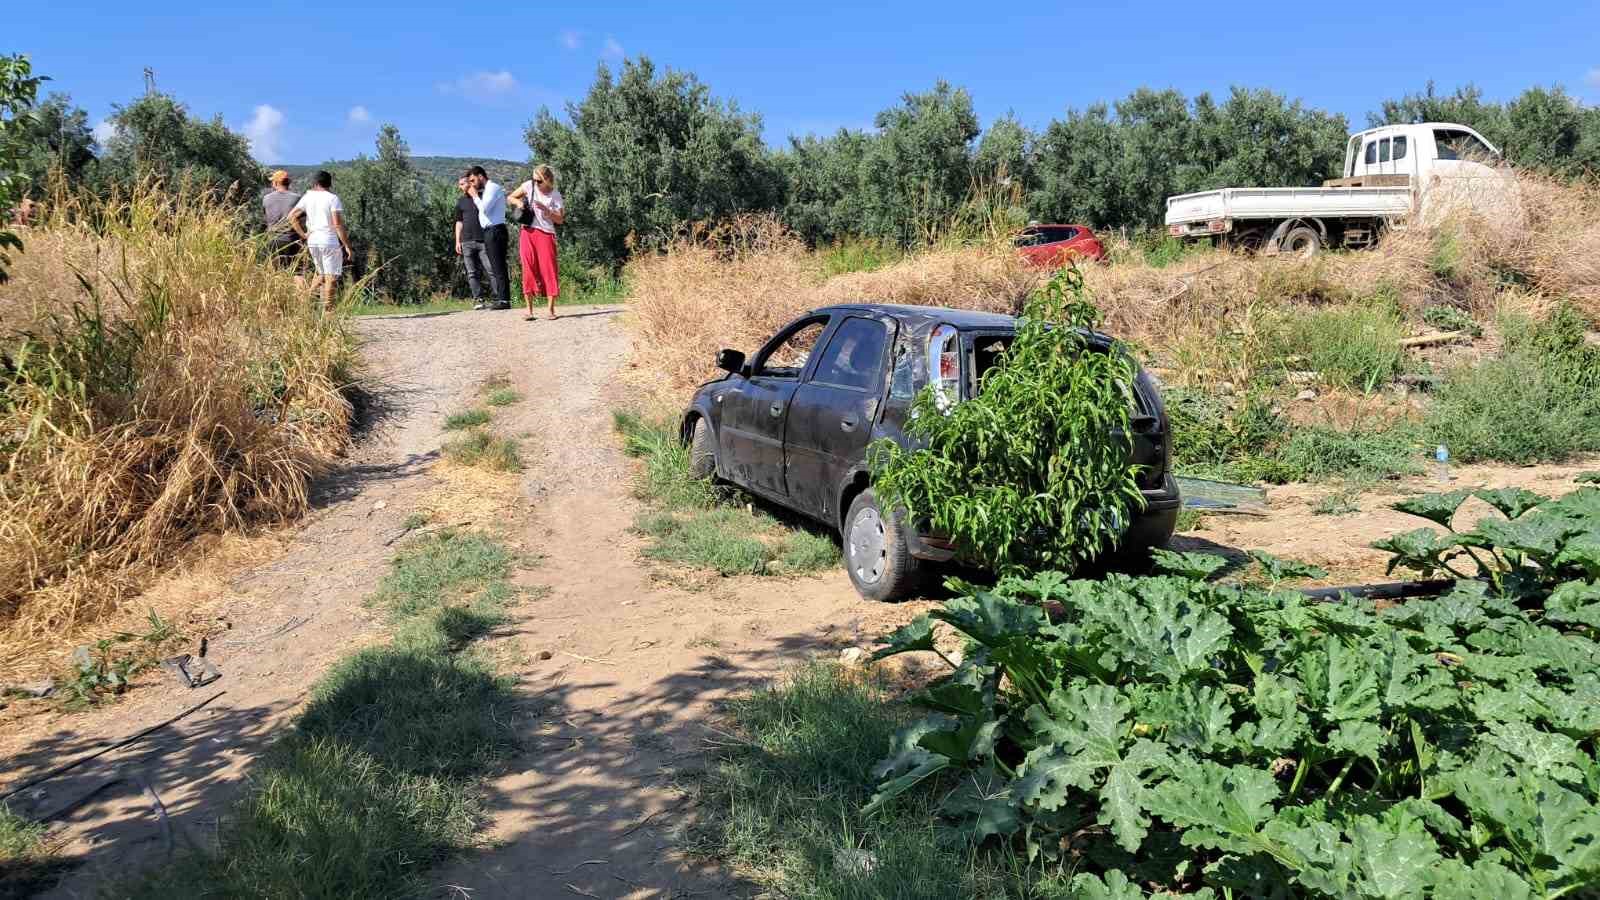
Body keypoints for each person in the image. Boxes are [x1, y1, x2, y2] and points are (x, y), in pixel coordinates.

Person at [286, 170, 353, 311]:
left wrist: (303, 234)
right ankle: (328, 312)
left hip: (313, 241)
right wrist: (347, 245)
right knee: (331, 277)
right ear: (329, 183)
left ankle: (306, 298)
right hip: (328, 240)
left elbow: (291, 216)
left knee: (322, 273)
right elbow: (337, 224)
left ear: (315, 183)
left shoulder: (308, 196)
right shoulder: (332, 198)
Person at [508, 164, 565, 321]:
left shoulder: (555, 195)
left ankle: (551, 310)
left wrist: (548, 212)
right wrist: (519, 203)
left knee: (549, 269)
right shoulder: (529, 186)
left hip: (546, 234)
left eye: (539, 181)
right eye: (534, 180)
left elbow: (560, 219)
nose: (536, 183)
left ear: (547, 180)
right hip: (528, 232)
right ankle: (529, 310)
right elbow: (510, 197)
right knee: (528, 267)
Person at [464, 166, 511, 310]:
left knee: (498, 266)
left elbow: (485, 208)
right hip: (490, 231)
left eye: (473, 180)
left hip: (495, 230)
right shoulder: (487, 190)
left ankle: (504, 300)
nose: (472, 184)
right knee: (496, 266)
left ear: (480, 176)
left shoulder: (493, 188)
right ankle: (502, 299)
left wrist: (474, 196)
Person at [454, 176, 495, 309]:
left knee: (491, 269)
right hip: (466, 242)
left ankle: (499, 298)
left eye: (464, 183)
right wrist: (457, 241)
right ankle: (479, 300)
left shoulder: (483, 197)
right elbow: (459, 222)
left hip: (483, 240)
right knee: (471, 273)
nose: (462, 186)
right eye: (460, 184)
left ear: (470, 183)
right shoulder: (460, 202)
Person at [262, 170, 303, 269]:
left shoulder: (266, 198)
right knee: (297, 273)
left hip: (273, 240)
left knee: (274, 273)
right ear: (288, 183)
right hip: (291, 240)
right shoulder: (297, 198)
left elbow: (265, 218)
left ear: (275, 183)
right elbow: (302, 220)